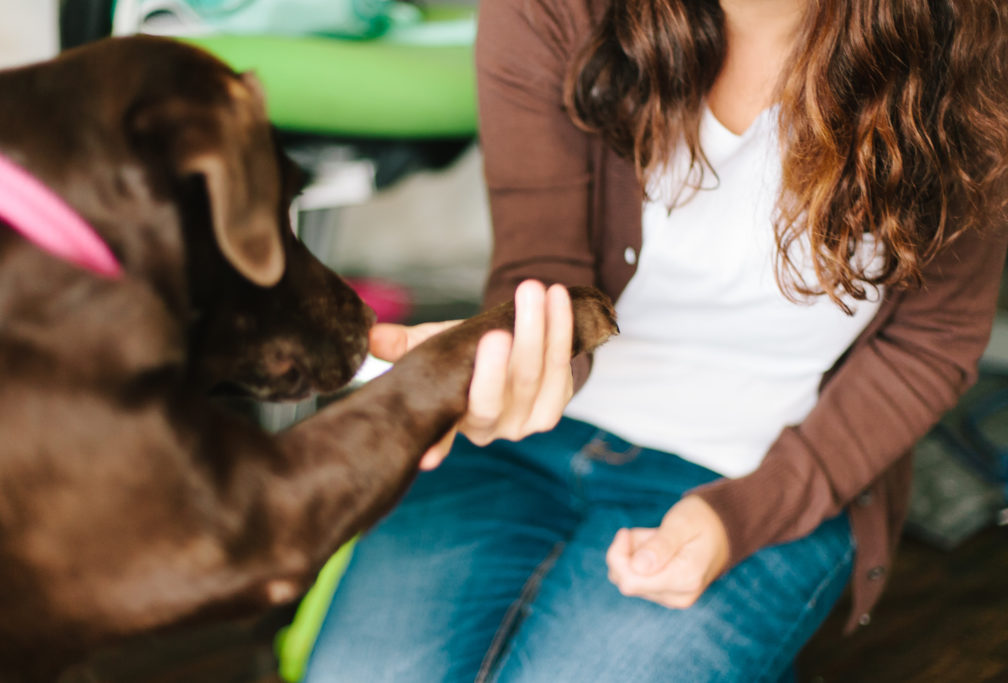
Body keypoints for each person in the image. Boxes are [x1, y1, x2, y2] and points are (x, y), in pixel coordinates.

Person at [304, 0, 1008, 680]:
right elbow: (542, 272)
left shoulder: (975, 54)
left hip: (759, 477)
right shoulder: (551, 10)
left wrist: (741, 517)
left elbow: (932, 343)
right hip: (523, 451)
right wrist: (497, 361)